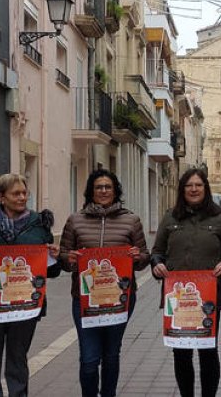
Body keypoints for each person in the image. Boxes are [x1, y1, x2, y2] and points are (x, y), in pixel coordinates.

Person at [59, 170, 150, 397]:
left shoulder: (131, 220)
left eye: (108, 187)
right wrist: (68, 259)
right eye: (98, 187)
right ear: (91, 191)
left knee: (111, 355)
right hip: (84, 301)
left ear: (115, 190)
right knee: (89, 359)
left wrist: (138, 257)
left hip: (120, 300)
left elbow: (144, 258)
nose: (103, 191)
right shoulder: (75, 220)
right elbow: (63, 256)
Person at [0, 173, 61, 397]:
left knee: (18, 359)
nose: (22, 197)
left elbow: (51, 271)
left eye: (24, 193)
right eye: (16, 193)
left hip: (25, 305)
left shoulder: (39, 224)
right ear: (1, 197)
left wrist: (53, 257)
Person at [150, 168, 221, 397]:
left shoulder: (219, 218)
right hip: (176, 299)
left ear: (205, 188)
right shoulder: (170, 217)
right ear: (182, 190)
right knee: (181, 353)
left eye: (198, 185)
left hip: (208, 297)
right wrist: (157, 265)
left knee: (208, 351)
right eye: (189, 185)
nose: (194, 189)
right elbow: (157, 252)